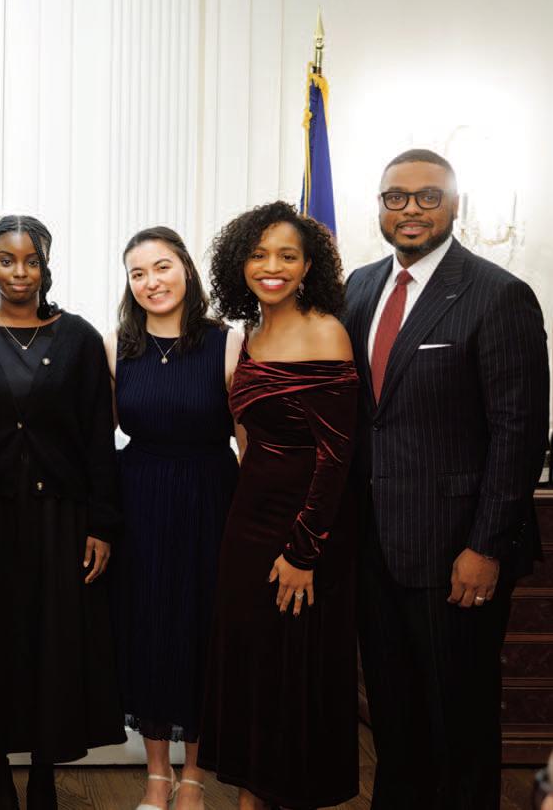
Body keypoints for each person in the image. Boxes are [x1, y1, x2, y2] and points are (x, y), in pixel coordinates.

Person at [345, 150, 549, 809]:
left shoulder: (497, 294)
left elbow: (519, 435)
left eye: (427, 196)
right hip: (373, 549)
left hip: (456, 553)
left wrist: (486, 546)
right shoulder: (359, 287)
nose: (409, 209)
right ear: (379, 206)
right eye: (395, 197)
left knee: (458, 725)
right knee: (395, 724)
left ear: (455, 204)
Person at [0, 216, 124, 810]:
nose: (19, 272)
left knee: (54, 643)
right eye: (6, 259)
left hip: (61, 518)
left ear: (47, 262)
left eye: (31, 260)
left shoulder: (77, 337)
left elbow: (100, 435)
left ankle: (45, 770)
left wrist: (102, 523)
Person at [197, 201, 358, 809]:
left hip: (302, 530)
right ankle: (248, 799)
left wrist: (304, 550)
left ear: (308, 265)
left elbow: (335, 458)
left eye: (287, 255)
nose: (271, 266)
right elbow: (248, 439)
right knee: (253, 668)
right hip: (247, 523)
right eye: (259, 255)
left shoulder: (325, 329)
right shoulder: (251, 335)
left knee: (293, 673)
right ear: (239, 264)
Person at [102, 227, 240, 810]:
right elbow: (97, 437)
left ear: (185, 269)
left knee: (201, 629)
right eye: (138, 274)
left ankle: (194, 775)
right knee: (150, 626)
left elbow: (249, 441)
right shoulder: (117, 347)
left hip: (212, 497)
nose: (152, 282)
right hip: (140, 498)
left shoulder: (229, 342)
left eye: (162, 268)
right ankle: (157, 774)